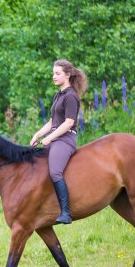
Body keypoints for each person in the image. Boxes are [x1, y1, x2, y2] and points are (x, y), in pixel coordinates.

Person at [29, 59, 88, 224]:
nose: (53, 76)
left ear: (67, 75)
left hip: (66, 139)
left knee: (55, 171)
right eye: (53, 73)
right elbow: (52, 121)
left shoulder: (71, 96)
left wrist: (49, 138)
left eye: (57, 73)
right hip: (56, 137)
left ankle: (66, 212)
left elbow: (69, 122)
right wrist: (38, 135)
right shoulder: (59, 95)